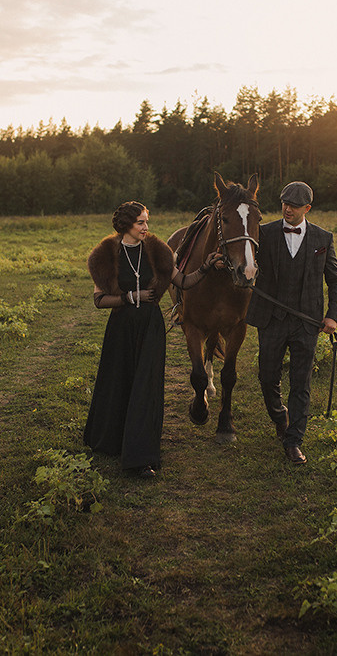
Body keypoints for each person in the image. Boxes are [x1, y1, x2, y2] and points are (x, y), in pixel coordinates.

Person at [84, 201, 221, 478]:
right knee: (118, 380)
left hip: (150, 327)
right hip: (121, 326)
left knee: (147, 386)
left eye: (147, 221)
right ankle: (110, 441)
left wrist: (205, 268)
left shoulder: (158, 251)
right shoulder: (105, 254)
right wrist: (129, 298)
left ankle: (141, 456)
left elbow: (182, 281)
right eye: (141, 223)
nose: (146, 227)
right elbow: (99, 300)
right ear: (126, 225)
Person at [245, 182, 337, 465]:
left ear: (307, 209)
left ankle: (294, 441)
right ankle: (279, 415)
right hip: (272, 320)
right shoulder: (265, 233)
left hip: (306, 322)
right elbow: (245, 259)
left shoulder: (323, 238)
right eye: (284, 203)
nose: (287, 209)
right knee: (266, 377)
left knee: (301, 383)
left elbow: (335, 281)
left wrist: (332, 316)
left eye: (294, 205)